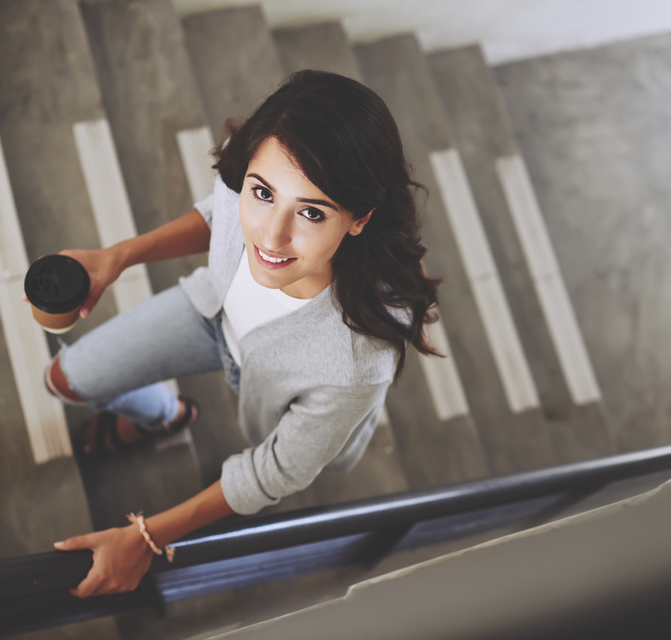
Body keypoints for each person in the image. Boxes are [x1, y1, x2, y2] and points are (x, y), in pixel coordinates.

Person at [44, 70, 440, 598]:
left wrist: (146, 535)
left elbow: (274, 472)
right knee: (65, 381)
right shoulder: (255, 158)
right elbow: (222, 215)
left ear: (359, 218)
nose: (270, 236)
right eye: (262, 193)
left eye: (312, 212)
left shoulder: (356, 364)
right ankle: (168, 416)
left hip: (273, 380)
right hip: (212, 313)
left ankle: (165, 416)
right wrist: (118, 257)